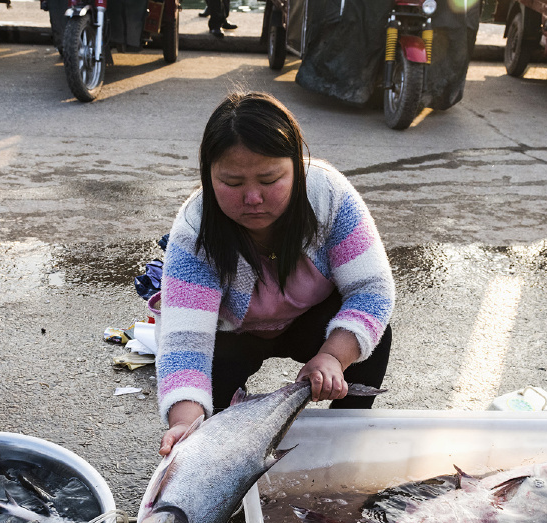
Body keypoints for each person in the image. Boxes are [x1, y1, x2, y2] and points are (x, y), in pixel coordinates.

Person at [155, 91, 395, 456]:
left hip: (308, 322)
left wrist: (333, 356)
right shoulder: (195, 230)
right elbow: (184, 343)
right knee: (212, 438)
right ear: (208, 176)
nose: (252, 198)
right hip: (233, 338)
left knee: (372, 341)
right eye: (232, 183)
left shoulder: (329, 195)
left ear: (298, 167)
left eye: (269, 180)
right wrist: (184, 424)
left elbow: (372, 291)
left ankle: (343, 444)